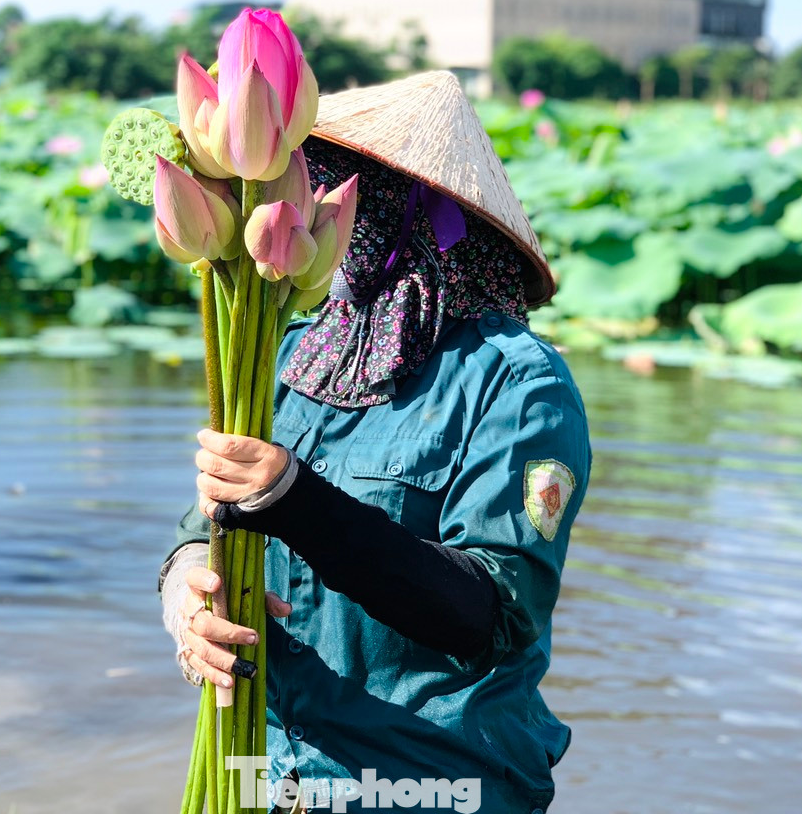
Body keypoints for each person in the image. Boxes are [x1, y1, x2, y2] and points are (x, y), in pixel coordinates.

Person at [159, 72, 592, 813]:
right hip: (270, 778)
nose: (305, 209)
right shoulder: (293, 352)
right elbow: (201, 532)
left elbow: (489, 616)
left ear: (395, 208)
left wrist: (295, 501)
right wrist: (187, 602)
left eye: (329, 190)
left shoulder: (518, 384)